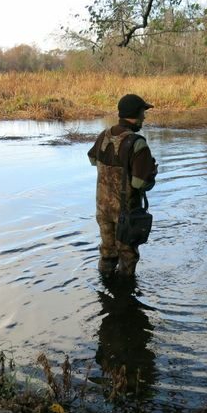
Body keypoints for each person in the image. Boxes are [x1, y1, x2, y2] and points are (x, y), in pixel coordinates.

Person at [88, 94, 158, 277]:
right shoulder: (137, 143)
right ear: (136, 113)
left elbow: (92, 159)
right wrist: (151, 173)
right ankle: (125, 300)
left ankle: (105, 291)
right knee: (127, 257)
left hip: (103, 209)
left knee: (107, 252)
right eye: (143, 112)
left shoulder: (104, 135)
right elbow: (139, 183)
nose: (145, 116)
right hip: (126, 214)